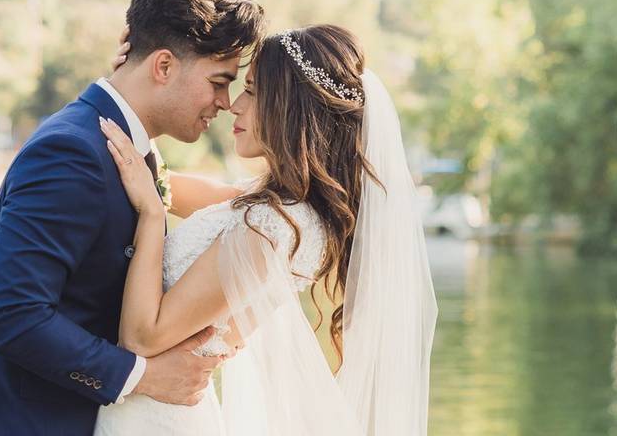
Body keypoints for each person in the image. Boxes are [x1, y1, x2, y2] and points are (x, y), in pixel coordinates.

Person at [0, 0, 265, 436]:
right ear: (163, 66)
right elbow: (13, 316)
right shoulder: (70, 152)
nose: (223, 102)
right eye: (218, 82)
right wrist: (143, 376)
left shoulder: (131, 147)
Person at [95, 24, 438, 435]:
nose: (234, 105)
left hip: (155, 418)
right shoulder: (277, 209)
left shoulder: (275, 228)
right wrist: (130, 90)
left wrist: (151, 217)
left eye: (253, 91)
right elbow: (163, 182)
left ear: (290, 107)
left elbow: (142, 338)